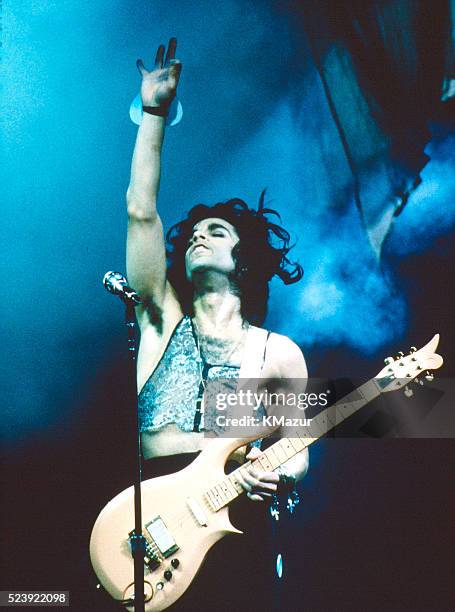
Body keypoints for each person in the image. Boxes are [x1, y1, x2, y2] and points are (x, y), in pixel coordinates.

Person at [126, 37, 309, 608]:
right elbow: (140, 208)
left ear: (244, 260)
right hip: (150, 519)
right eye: (195, 232)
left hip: (234, 525)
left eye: (218, 231)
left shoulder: (275, 351)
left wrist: (275, 473)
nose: (200, 234)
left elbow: (297, 448)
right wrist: (154, 113)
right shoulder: (161, 318)